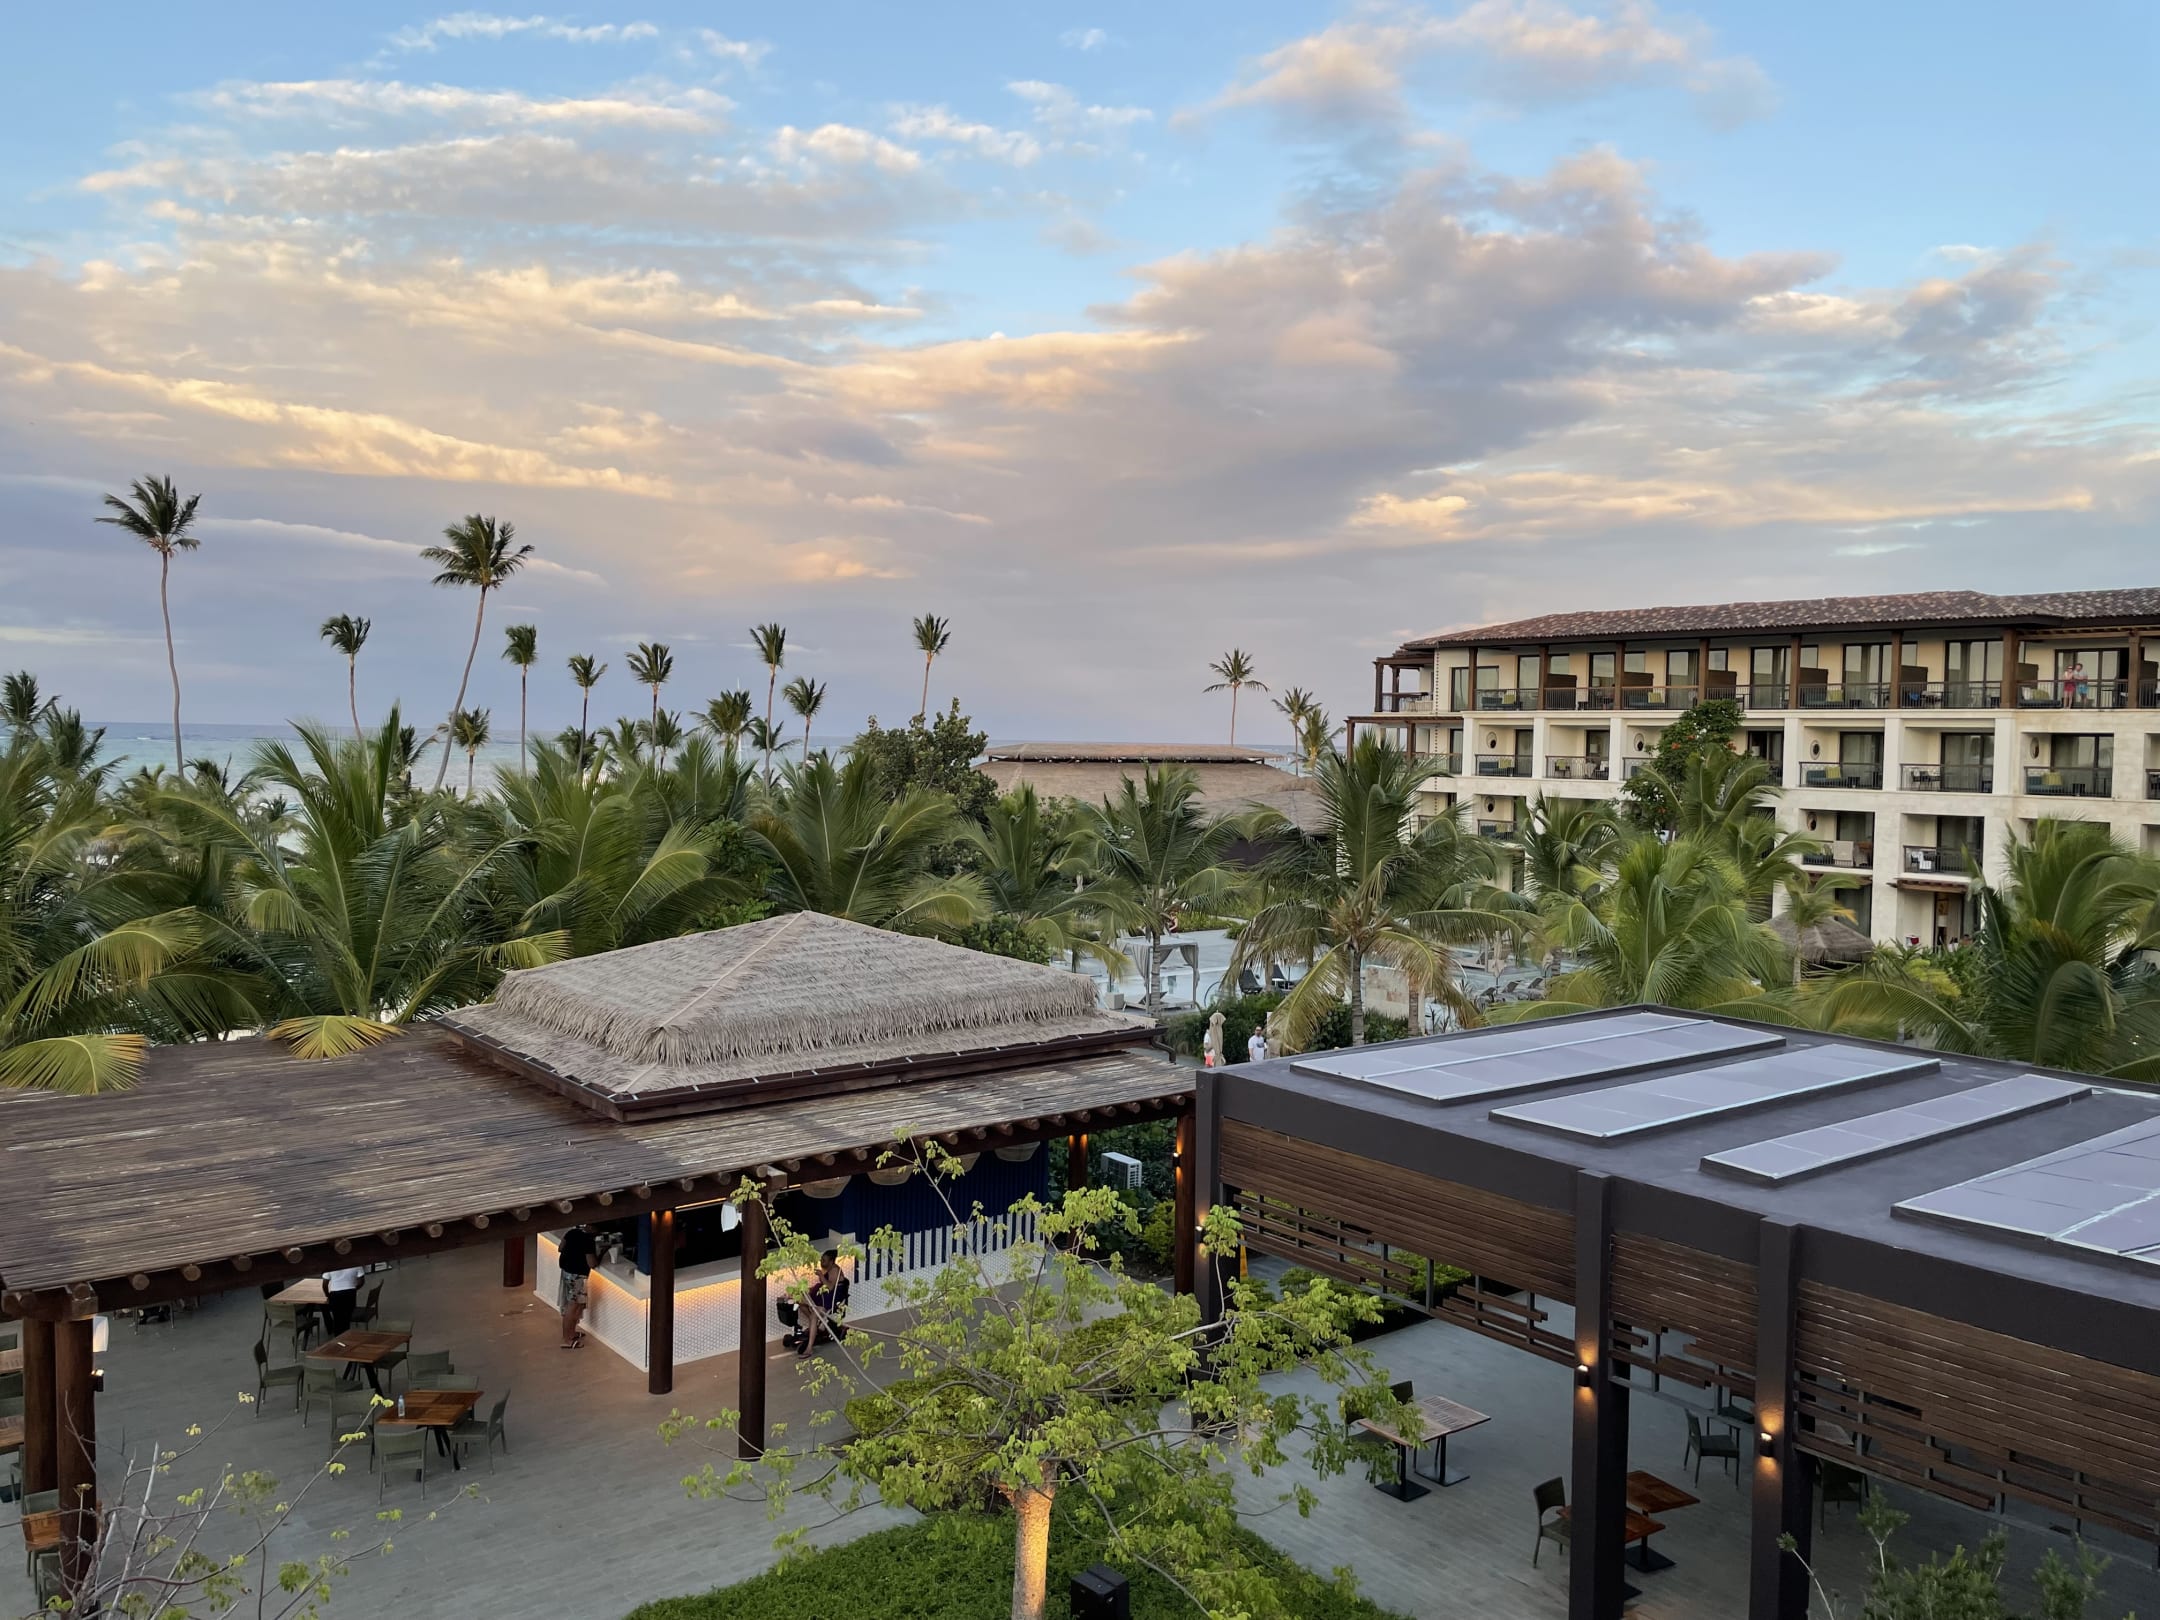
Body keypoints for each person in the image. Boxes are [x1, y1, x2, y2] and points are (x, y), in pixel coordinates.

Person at [797, 1249, 850, 1358]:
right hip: (822, 1297)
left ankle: (809, 1348)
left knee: (814, 1315)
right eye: (821, 1260)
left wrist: (821, 1276)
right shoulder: (827, 1269)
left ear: (831, 1261)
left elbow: (830, 1287)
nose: (821, 1262)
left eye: (824, 1260)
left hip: (830, 1301)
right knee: (801, 1302)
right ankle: (816, 1325)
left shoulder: (834, 1270)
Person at [557, 1223, 595, 1349]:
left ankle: (571, 1333)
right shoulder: (588, 1240)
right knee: (572, 1307)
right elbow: (592, 1263)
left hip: (567, 1273)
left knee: (574, 1306)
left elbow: (560, 1248)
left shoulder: (571, 1232)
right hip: (578, 1277)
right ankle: (567, 1339)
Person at [321, 1264, 365, 1337]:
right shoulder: (356, 1264)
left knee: (337, 1320)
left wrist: (328, 1295)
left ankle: (337, 1338)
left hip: (335, 1295)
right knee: (347, 1319)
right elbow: (361, 1282)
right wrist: (354, 1289)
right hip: (350, 1294)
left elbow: (325, 1284)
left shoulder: (330, 1265)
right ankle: (346, 1337)